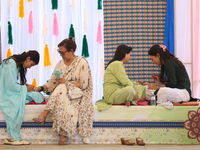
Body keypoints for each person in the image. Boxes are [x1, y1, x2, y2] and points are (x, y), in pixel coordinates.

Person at [33, 37, 93, 145]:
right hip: (64, 93)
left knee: (62, 86)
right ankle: (62, 137)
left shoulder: (81, 62)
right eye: (59, 52)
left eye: (62, 52)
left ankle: (44, 114)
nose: (60, 54)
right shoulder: (60, 64)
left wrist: (67, 82)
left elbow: (84, 85)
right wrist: (40, 88)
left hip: (78, 93)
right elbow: (52, 83)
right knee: (62, 94)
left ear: (71, 51)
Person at [0, 50, 40, 145]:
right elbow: (9, 86)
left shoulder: (16, 64)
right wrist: (25, 88)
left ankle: (15, 137)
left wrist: (25, 88)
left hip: (10, 92)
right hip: (5, 94)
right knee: (33, 96)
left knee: (37, 95)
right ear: (28, 58)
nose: (30, 67)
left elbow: (12, 83)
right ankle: (14, 137)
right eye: (32, 64)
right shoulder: (10, 64)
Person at [96, 44, 146, 111]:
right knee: (130, 90)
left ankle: (128, 100)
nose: (130, 57)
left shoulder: (117, 64)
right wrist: (134, 89)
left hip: (118, 92)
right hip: (112, 95)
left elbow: (125, 79)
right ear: (125, 54)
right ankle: (133, 99)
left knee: (141, 87)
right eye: (130, 55)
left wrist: (137, 84)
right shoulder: (117, 64)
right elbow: (124, 80)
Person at [148, 44, 191, 109]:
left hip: (183, 93)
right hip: (179, 92)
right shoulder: (166, 63)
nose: (152, 61)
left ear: (158, 56)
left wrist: (157, 87)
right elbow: (172, 84)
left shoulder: (169, 63)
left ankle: (160, 110)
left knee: (162, 92)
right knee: (152, 91)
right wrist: (160, 82)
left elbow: (172, 84)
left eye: (152, 59)